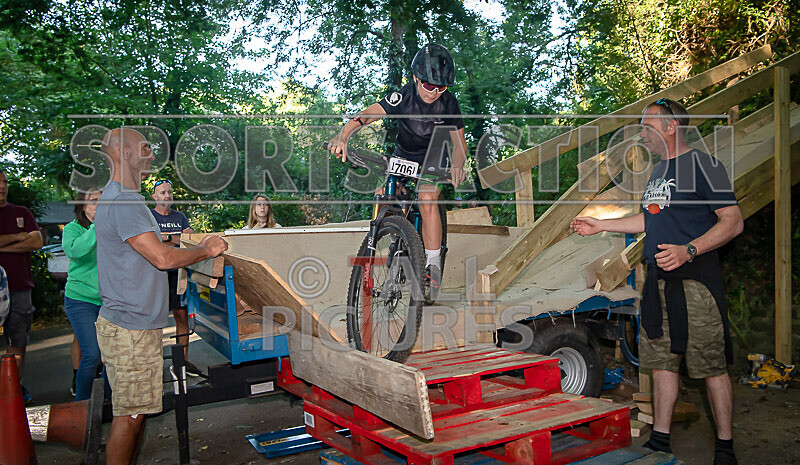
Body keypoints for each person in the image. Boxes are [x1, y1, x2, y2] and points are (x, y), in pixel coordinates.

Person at [570, 98, 743, 465]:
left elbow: (732, 221)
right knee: (662, 361)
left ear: (670, 128)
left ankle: (725, 448)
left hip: (697, 285)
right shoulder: (659, 172)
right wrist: (600, 225)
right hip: (659, 286)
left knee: (711, 366)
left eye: (647, 126)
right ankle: (660, 441)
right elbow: (649, 221)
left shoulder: (704, 166)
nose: (641, 133)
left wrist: (689, 251)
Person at [94, 128, 228, 465]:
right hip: (131, 331)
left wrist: (189, 247)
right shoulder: (124, 200)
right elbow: (163, 258)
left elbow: (155, 252)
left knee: (135, 413)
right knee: (131, 416)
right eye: (145, 148)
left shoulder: (121, 198)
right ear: (124, 153)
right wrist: (205, 249)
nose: (152, 154)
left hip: (133, 326)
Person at [327, 43, 468, 298]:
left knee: (426, 198)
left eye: (441, 87)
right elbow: (367, 116)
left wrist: (458, 164)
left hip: (435, 154)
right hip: (406, 153)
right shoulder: (402, 97)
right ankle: (396, 234)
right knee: (385, 192)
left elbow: (459, 144)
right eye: (429, 86)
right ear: (416, 78)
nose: (435, 92)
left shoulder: (448, 103)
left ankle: (432, 266)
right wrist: (343, 136)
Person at [149, 179, 202, 376]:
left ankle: (183, 363)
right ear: (154, 196)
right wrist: (174, 238)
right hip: (156, 275)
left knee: (182, 317)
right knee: (155, 319)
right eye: (162, 193)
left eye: (169, 192)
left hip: (178, 273)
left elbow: (188, 241)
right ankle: (152, 363)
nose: (167, 196)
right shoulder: (149, 217)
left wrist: (166, 238)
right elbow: (152, 244)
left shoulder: (179, 216)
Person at [0, 168, 43, 403]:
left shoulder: (21, 212)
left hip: (20, 286)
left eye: (5, 182)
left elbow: (36, 241)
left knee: (17, 341)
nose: (2, 186)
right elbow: (27, 239)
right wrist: (19, 237)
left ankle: (13, 388)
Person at [62, 189, 104, 401]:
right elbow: (75, 251)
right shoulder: (72, 229)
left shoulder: (109, 228)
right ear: (82, 206)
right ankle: (83, 405)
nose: (99, 205)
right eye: (94, 201)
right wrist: (98, 226)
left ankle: (110, 401)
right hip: (80, 300)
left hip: (107, 300)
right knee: (92, 354)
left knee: (111, 354)